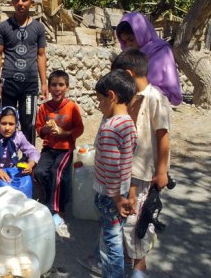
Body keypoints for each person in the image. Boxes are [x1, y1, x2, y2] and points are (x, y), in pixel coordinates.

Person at [111, 48, 171, 278]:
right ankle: (130, 262)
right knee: (127, 220)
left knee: (138, 225)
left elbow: (162, 137)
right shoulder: (131, 98)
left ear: (128, 73)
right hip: (127, 171)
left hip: (144, 173)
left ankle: (139, 268)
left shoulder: (155, 98)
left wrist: (162, 171)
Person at [93, 69, 138, 278]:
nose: (99, 105)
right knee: (112, 237)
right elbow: (126, 161)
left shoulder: (110, 127)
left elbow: (111, 169)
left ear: (111, 96)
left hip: (110, 196)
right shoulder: (129, 123)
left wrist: (118, 199)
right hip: (121, 190)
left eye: (100, 100)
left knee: (112, 244)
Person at [0, 0, 48, 146]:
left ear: (31, 2)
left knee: (28, 124)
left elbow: (41, 56)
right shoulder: (4, 27)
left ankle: (27, 162)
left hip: (29, 86)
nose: (20, 3)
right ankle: (5, 158)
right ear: (12, 1)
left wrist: (43, 83)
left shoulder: (38, 28)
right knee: (6, 122)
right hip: (8, 83)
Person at [34, 70, 84, 237]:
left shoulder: (71, 107)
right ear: (48, 87)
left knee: (57, 173)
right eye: (54, 85)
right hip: (49, 147)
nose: (57, 88)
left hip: (65, 148)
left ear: (67, 87)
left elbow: (79, 128)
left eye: (61, 85)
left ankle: (57, 209)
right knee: (39, 171)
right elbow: (39, 130)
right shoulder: (43, 108)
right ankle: (46, 196)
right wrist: (45, 129)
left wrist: (65, 133)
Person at [116, 11, 183, 106]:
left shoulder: (161, 51)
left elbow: (172, 90)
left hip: (155, 107)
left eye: (131, 39)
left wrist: (146, 93)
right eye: (124, 41)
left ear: (141, 34)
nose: (128, 45)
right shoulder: (128, 56)